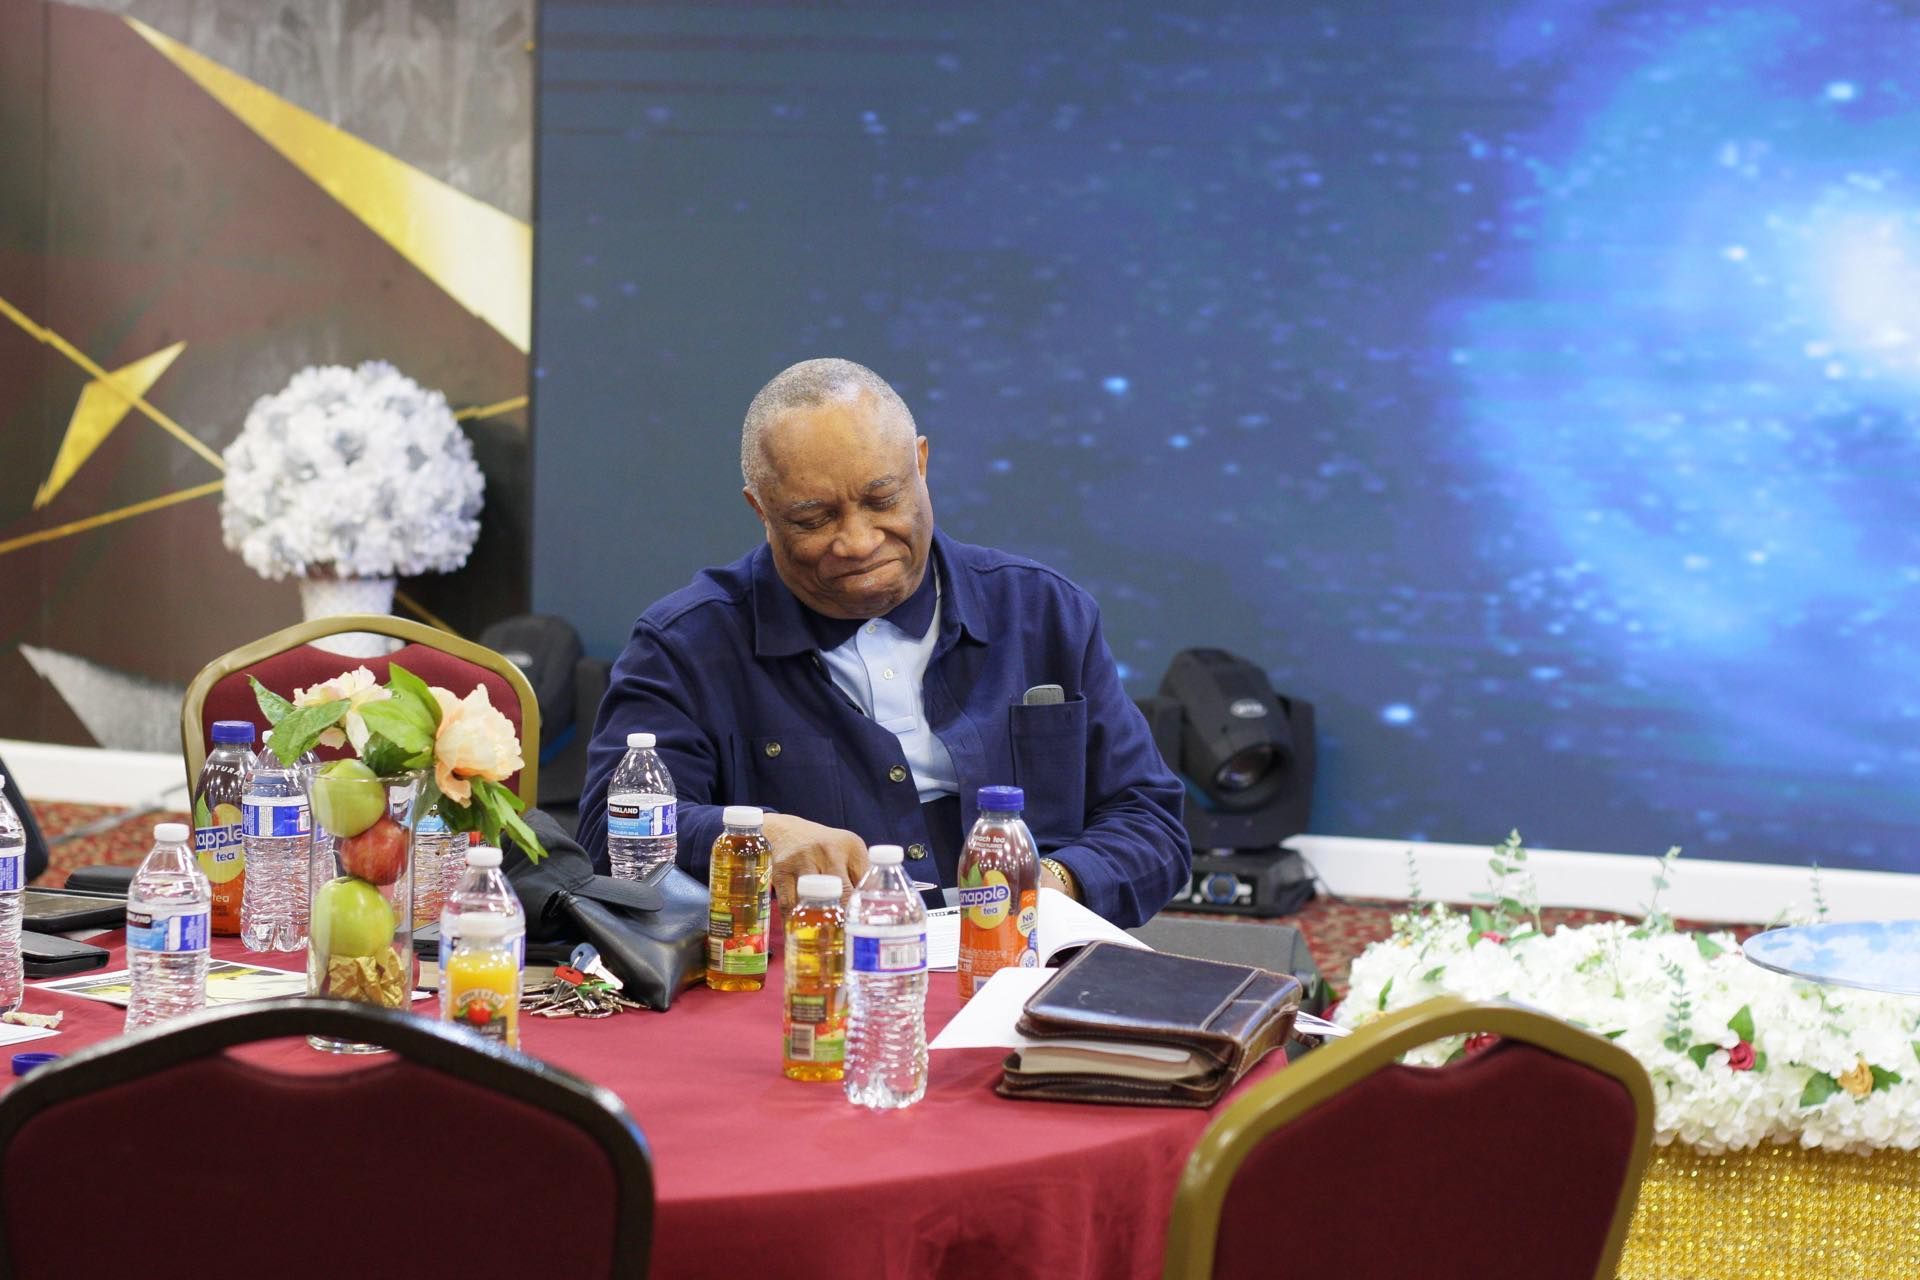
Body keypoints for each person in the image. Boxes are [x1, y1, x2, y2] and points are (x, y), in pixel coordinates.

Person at [576, 358, 1191, 927]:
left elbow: (1151, 823)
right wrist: (755, 834)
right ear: (760, 510)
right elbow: (610, 833)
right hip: (808, 983)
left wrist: (1053, 883)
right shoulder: (686, 645)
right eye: (812, 519)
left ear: (921, 464)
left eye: (882, 499)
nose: (858, 542)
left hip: (1020, 970)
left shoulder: (1044, 612)